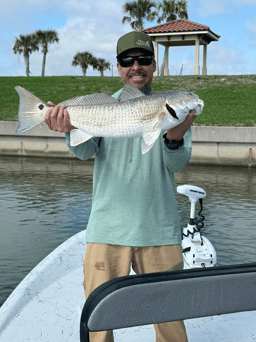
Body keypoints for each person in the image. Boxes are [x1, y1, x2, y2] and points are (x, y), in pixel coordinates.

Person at [45, 31, 196, 342]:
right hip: (107, 230)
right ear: (118, 67)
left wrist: (176, 136)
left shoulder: (175, 112)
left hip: (159, 229)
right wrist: (66, 128)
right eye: (128, 60)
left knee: (170, 321)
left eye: (143, 59)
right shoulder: (102, 107)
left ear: (154, 65)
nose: (135, 66)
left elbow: (176, 164)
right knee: (99, 322)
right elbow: (85, 151)